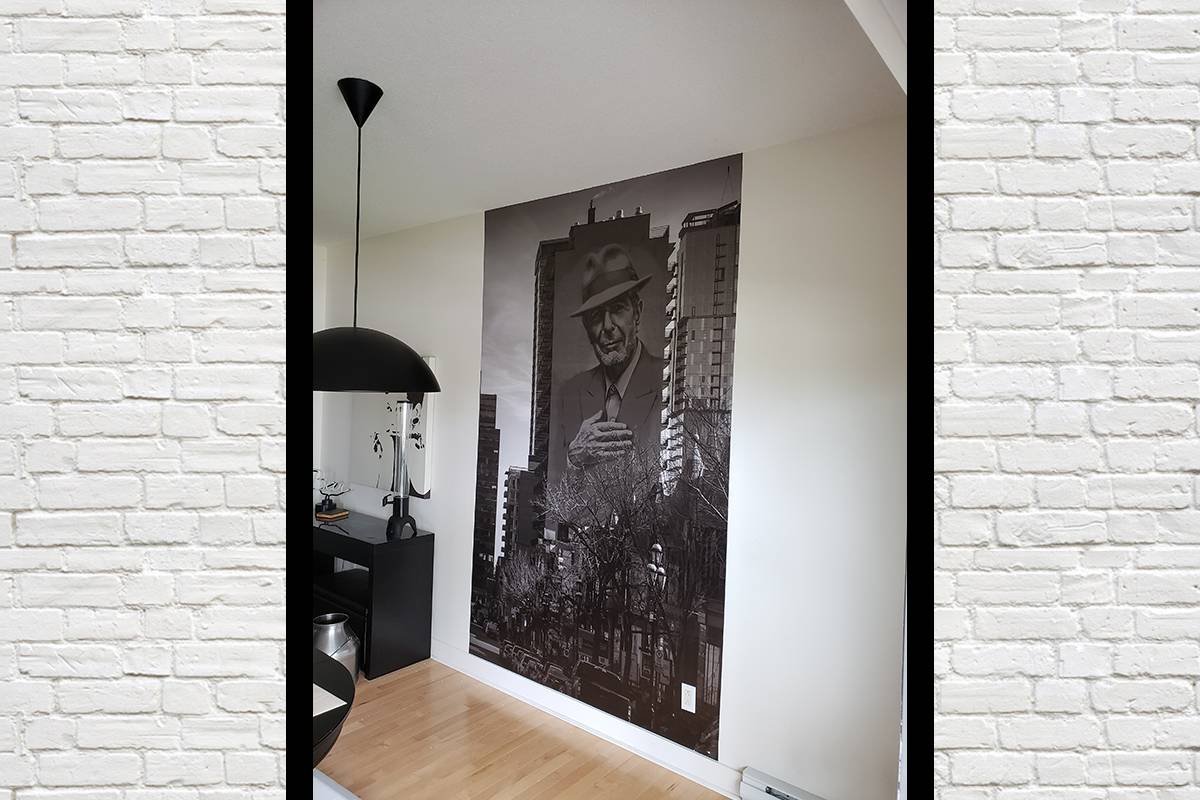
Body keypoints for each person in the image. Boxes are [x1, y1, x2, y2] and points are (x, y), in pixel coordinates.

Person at [552, 243, 664, 474]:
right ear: (586, 327)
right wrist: (573, 458)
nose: (607, 326)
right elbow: (551, 483)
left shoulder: (666, 380)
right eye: (596, 316)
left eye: (618, 309)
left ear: (637, 312)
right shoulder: (570, 393)